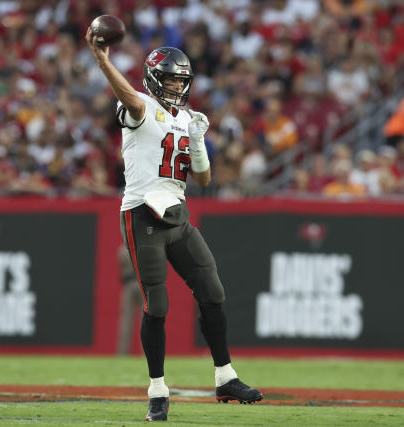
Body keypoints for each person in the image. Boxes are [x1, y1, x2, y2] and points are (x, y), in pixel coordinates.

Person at [86, 28, 262, 422]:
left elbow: (202, 181)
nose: (176, 86)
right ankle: (158, 392)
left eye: (181, 80)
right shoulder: (142, 107)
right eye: (169, 79)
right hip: (141, 214)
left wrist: (198, 141)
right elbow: (127, 97)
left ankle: (225, 377)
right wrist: (103, 60)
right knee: (158, 305)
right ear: (152, 79)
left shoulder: (187, 117)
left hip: (177, 214)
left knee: (213, 291)